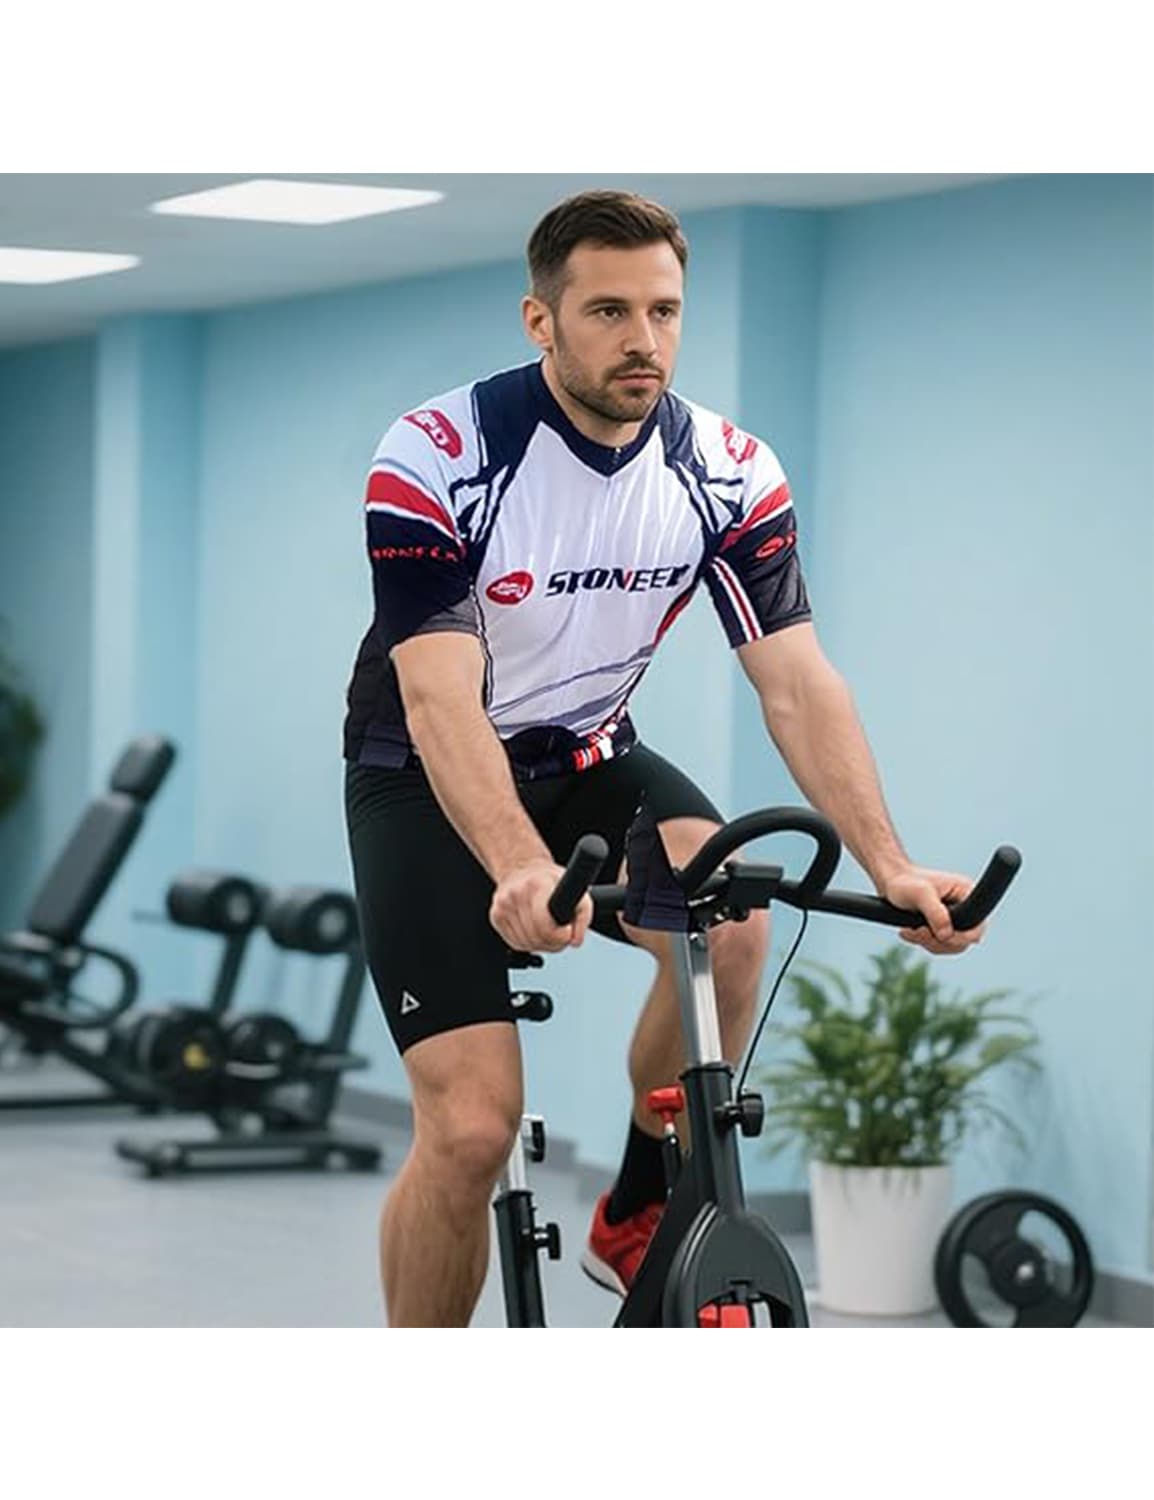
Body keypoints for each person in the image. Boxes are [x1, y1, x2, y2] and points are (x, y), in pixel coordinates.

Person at [343, 189, 986, 1328]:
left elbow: (796, 681)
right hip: (423, 774)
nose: (642, 339)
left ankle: (639, 1202)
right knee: (473, 1129)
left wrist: (888, 865)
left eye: (663, 311)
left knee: (733, 923)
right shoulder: (439, 455)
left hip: (591, 753)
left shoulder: (727, 471)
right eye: (607, 311)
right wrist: (515, 865)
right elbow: (439, 697)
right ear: (541, 321)